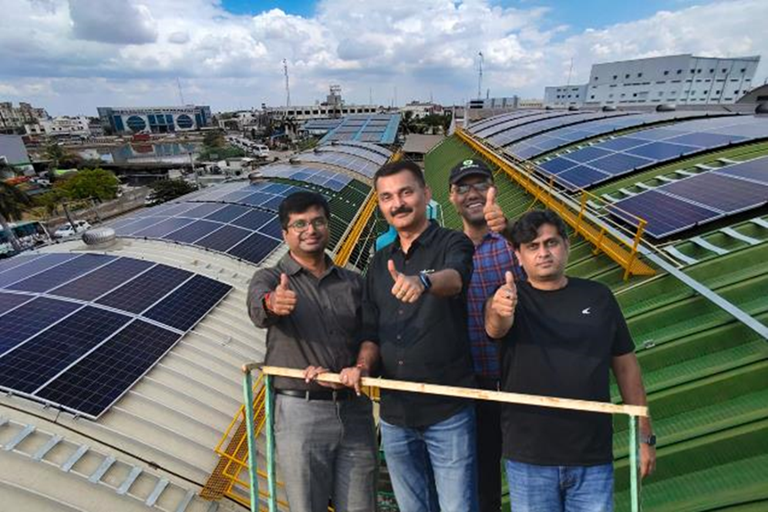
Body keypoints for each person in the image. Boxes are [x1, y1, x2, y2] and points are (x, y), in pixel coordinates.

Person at [485, 209, 656, 512]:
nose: (543, 253)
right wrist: (500, 309)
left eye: (550, 243)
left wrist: (644, 436)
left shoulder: (598, 297)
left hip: (591, 457)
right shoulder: (509, 297)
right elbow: (495, 326)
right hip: (529, 458)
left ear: (566, 245)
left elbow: (626, 368)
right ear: (519, 256)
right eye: (532, 247)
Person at [339, 160, 479, 512]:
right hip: (395, 415)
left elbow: (457, 278)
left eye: (405, 192)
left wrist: (424, 282)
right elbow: (371, 331)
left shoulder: (452, 242)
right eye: (387, 197)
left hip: (447, 411)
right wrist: (362, 366)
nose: (397, 203)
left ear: (425, 194)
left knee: (457, 507)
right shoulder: (379, 262)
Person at [246, 191, 377, 512]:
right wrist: (274, 303)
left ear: (327, 226)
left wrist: (360, 367)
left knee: (361, 506)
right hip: (301, 416)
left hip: (355, 411)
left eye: (318, 221)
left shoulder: (352, 282)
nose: (311, 230)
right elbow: (260, 308)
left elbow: (371, 337)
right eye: (299, 224)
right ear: (285, 233)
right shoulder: (269, 278)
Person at [447, 158, 525, 512]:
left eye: (481, 184)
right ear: (451, 197)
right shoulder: (448, 252)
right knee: (483, 481)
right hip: (474, 385)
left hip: (521, 381)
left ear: (494, 189)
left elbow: (541, 262)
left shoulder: (515, 242)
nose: (473, 194)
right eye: (463, 187)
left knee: (533, 470)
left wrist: (508, 230)